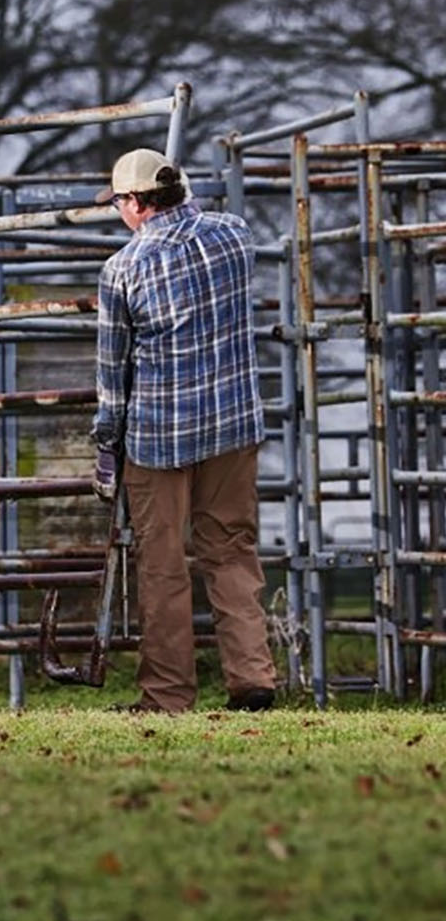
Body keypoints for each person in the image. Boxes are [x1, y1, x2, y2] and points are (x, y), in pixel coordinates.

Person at [92, 149, 277, 714]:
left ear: (137, 202)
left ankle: (168, 695)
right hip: (232, 424)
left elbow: (113, 375)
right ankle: (252, 678)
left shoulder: (123, 269)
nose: (119, 212)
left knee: (163, 564)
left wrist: (106, 448)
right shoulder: (234, 236)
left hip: (158, 436)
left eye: (121, 202)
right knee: (232, 550)